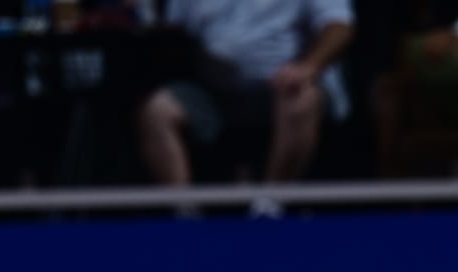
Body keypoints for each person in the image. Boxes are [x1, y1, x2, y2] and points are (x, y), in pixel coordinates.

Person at [138, 0, 354, 189]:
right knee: (158, 110)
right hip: (213, 88)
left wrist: (307, 67)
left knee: (301, 100)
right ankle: (182, 210)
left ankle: (270, 203)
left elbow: (339, 27)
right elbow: (173, 31)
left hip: (283, 85)